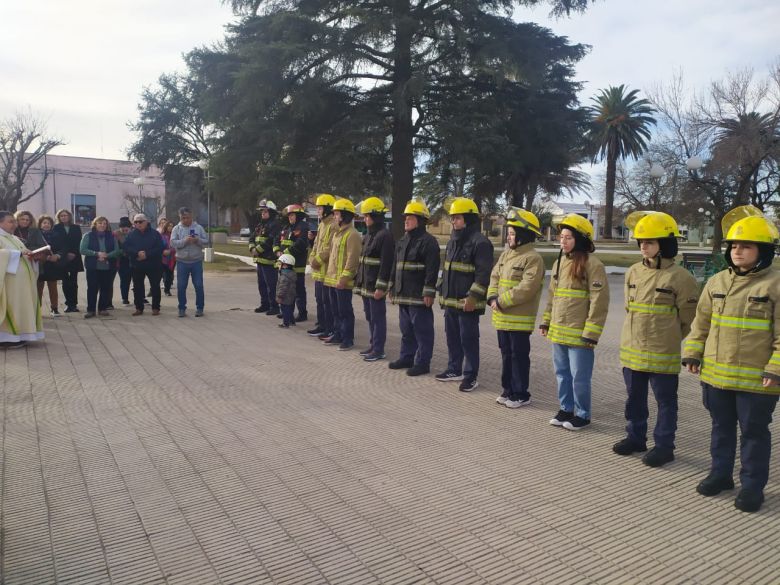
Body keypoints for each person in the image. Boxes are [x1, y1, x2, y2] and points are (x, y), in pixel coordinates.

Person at [682, 205, 780, 513]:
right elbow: (701, 324)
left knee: (753, 434)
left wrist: (776, 369)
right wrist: (692, 353)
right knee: (720, 428)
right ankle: (720, 475)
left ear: (762, 250)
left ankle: (752, 487)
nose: (737, 251)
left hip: (756, 380)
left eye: (745, 246)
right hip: (716, 376)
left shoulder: (775, 284)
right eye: (734, 245)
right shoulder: (717, 282)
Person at [613, 211, 699, 467]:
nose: (643, 247)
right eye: (641, 242)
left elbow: (688, 319)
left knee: (666, 403)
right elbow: (630, 310)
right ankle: (635, 437)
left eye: (649, 242)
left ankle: (664, 446)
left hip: (663, 352)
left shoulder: (681, 278)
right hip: (632, 351)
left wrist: (669, 337)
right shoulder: (633, 272)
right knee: (634, 400)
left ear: (666, 244)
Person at [540, 213, 609, 431]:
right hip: (559, 332)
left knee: (579, 377)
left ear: (580, 239)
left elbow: (600, 301)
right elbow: (553, 295)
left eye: (568, 237)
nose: (563, 241)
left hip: (580, 335)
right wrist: (546, 321)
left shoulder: (593, 264)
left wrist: (591, 333)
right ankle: (565, 409)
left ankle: (582, 414)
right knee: (562, 374)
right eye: (561, 237)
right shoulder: (560, 262)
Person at [487, 208, 545, 408]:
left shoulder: (533, 258)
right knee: (506, 355)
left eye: (512, 234)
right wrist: (492, 296)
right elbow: (495, 276)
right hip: (502, 317)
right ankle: (507, 390)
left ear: (523, 235)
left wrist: (501, 301)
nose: (509, 237)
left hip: (519, 319)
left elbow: (526, 288)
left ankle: (521, 394)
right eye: (509, 233)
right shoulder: (506, 255)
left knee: (518, 356)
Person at [435, 198, 494, 392]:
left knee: (468, 339)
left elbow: (483, 274)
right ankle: (454, 369)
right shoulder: (454, 240)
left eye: (457, 218)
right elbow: (448, 268)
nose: (453, 222)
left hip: (467, 302)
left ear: (468, 219)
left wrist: (472, 297)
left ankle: (470, 376)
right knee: (452, 337)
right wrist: (441, 289)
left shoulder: (481, 243)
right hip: (451, 301)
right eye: (452, 218)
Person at [387, 199, 440, 376]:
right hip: (403, 294)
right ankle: (406, 357)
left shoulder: (428, 242)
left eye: (410, 217)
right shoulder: (402, 241)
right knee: (406, 329)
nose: (406, 220)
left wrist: (429, 291)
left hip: (419, 296)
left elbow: (432, 269)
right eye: (405, 218)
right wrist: (392, 287)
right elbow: (395, 266)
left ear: (421, 220)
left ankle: (423, 363)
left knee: (422, 331)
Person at [354, 197, 394, 362]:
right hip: (366, 285)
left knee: (378, 318)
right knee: (370, 316)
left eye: (367, 216)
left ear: (376, 216)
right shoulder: (369, 235)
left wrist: (381, 287)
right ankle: (373, 345)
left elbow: (386, 264)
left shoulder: (385, 236)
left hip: (375, 286)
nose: (365, 219)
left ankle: (379, 349)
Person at [0, 211, 44, 348]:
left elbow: (24, 253)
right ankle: (5, 338)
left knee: (21, 308)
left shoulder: (14, 238)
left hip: (22, 284)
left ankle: (19, 335)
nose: (14, 224)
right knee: (11, 309)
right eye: (10, 221)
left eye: (14, 221)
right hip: (8, 284)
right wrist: (17, 254)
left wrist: (32, 256)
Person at [322, 198, 361, 351]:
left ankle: (348, 339)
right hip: (332, 280)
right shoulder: (337, 234)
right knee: (336, 311)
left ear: (345, 215)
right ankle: (338, 334)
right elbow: (332, 257)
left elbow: (352, 259)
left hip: (342, 282)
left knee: (345, 311)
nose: (335, 216)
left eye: (337, 214)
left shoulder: (353, 235)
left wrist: (344, 279)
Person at [79, 216, 122, 318]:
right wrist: (97, 253)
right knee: (92, 288)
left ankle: (102, 309)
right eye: (100, 223)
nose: (102, 225)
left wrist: (107, 255)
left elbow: (117, 251)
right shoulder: (88, 236)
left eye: (104, 223)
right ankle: (91, 310)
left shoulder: (112, 236)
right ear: (95, 224)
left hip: (107, 266)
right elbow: (82, 250)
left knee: (105, 288)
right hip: (93, 266)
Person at [307, 194, 337, 337]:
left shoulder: (333, 225)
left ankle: (329, 328)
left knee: (327, 302)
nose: (318, 210)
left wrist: (316, 260)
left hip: (327, 273)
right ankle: (321, 325)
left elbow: (329, 248)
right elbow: (316, 245)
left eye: (320, 208)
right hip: (318, 272)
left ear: (327, 209)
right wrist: (312, 257)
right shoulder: (321, 225)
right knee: (320, 300)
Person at [122, 213, 164, 316]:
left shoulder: (155, 234)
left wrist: (147, 254)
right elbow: (126, 248)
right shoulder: (131, 234)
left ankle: (155, 308)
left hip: (153, 264)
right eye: (136, 222)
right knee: (137, 287)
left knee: (155, 286)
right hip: (137, 265)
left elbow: (160, 248)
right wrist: (137, 253)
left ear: (146, 222)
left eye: (140, 221)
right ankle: (139, 308)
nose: (138, 224)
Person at [170, 207, 208, 317]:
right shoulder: (176, 229)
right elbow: (172, 243)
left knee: (199, 285)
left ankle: (200, 308)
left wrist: (197, 240)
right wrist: (184, 241)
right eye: (183, 218)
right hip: (182, 262)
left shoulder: (199, 228)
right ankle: (182, 308)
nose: (186, 220)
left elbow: (206, 242)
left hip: (196, 261)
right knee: (181, 286)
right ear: (180, 217)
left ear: (192, 216)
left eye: (188, 217)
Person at [274, 203, 309, 321]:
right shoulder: (287, 228)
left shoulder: (303, 227)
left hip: (297, 265)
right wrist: (278, 251)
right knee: (287, 289)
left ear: (298, 216)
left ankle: (302, 313)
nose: (290, 217)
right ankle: (287, 312)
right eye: (289, 215)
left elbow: (301, 243)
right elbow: (277, 241)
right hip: (285, 264)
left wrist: (286, 252)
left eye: (292, 215)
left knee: (298, 290)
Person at [250, 200, 282, 315]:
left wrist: (257, 250)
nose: (262, 213)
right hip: (260, 260)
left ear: (271, 212)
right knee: (262, 284)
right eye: (262, 211)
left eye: (265, 211)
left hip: (269, 260)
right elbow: (252, 238)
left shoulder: (275, 225)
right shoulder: (260, 225)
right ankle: (265, 304)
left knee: (271, 285)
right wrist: (252, 248)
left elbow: (270, 241)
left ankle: (274, 307)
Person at [52, 208, 84, 312]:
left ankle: (74, 304)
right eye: (61, 216)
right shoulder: (56, 228)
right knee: (65, 282)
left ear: (69, 216)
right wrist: (65, 254)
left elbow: (79, 241)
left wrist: (73, 253)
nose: (64, 217)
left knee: (74, 282)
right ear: (59, 217)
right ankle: (68, 304)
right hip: (62, 258)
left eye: (65, 215)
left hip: (74, 257)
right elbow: (56, 243)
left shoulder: (76, 227)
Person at [37, 214, 65, 316]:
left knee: (53, 287)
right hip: (39, 264)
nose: (46, 225)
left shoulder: (57, 235)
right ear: (40, 224)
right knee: (38, 288)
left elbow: (62, 248)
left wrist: (57, 255)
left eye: (48, 223)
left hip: (52, 265)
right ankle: (37, 309)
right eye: (44, 223)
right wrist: (46, 257)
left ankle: (54, 308)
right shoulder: (35, 235)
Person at [113, 217, 133, 305]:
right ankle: (124, 298)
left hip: (133, 259)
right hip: (121, 260)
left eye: (127, 227)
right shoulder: (115, 234)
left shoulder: (133, 234)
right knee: (125, 280)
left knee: (137, 280)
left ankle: (140, 298)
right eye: (122, 227)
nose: (125, 229)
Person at [276, 253, 298, 328]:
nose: (279, 265)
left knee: (285, 310)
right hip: (291, 295)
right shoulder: (292, 273)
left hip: (285, 296)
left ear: (285, 265)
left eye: (280, 264)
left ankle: (285, 323)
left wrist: (279, 296)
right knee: (289, 309)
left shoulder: (284, 276)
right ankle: (292, 321)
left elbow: (282, 287)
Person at [161, 220, 176, 296]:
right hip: (162, 258)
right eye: (169, 226)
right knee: (159, 275)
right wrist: (163, 251)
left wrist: (171, 251)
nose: (171, 227)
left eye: (172, 226)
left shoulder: (175, 236)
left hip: (172, 258)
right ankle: (153, 290)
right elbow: (158, 245)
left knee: (169, 275)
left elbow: (177, 246)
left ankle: (167, 290)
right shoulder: (161, 236)